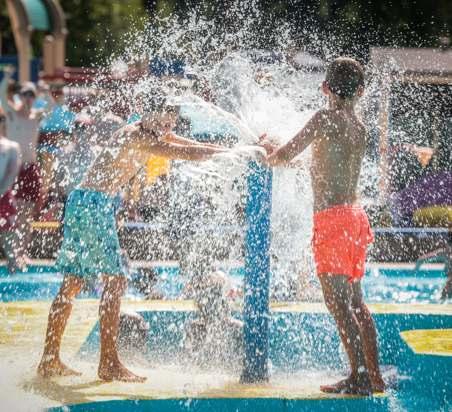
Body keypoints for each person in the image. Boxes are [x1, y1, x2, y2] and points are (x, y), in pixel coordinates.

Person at [37, 96, 228, 382]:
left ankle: (49, 359)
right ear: (146, 113)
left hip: (80, 200)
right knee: (115, 281)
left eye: (168, 124)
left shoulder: (144, 130)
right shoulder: (139, 136)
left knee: (72, 282)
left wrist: (230, 150)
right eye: (160, 122)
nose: (164, 128)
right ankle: (109, 363)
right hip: (96, 203)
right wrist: (231, 154)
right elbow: (185, 153)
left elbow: (185, 143)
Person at [264, 57, 385, 394]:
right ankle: (374, 375)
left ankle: (358, 376)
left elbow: (285, 155)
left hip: (332, 221)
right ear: (361, 91)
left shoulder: (323, 118)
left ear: (325, 88)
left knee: (337, 304)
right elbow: (323, 166)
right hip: (355, 218)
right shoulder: (359, 128)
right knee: (357, 303)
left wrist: (266, 151)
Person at [0, 67, 44, 266]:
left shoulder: (36, 116)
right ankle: (13, 253)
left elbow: (53, 106)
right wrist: (7, 78)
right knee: (13, 213)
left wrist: (44, 92)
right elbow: (2, 97)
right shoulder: (11, 115)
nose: (28, 98)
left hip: (30, 169)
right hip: (13, 170)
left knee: (27, 214)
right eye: (25, 94)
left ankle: (22, 252)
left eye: (31, 95)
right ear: (19, 96)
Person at [0, 113, 21, 271]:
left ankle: (14, 270)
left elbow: (12, 173)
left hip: (3, 194)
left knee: (8, 235)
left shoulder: (11, 146)